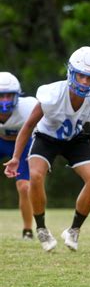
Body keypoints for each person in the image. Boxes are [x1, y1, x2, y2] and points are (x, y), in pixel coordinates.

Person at [4, 46, 90, 252]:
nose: (85, 82)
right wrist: (16, 157)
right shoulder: (52, 94)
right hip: (46, 137)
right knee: (35, 175)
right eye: (81, 76)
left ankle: (74, 230)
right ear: (71, 73)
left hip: (75, 139)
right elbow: (28, 126)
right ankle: (41, 228)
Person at [0, 72, 37, 240]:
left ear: (17, 96)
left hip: (22, 144)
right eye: (1, 96)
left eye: (9, 95)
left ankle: (28, 230)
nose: (5, 100)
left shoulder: (29, 107)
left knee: (24, 187)